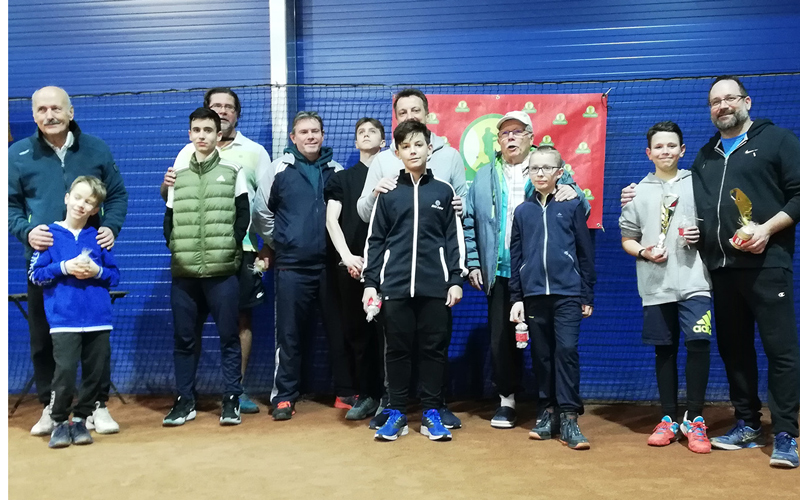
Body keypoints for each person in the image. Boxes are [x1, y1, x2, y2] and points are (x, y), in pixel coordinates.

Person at [620, 76, 800, 468]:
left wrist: (766, 230)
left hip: (767, 265)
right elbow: (676, 198)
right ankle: (747, 424)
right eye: (715, 101)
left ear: (746, 102)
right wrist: (634, 194)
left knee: (781, 350)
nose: (722, 106)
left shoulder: (778, 141)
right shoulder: (705, 157)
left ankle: (786, 433)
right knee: (734, 350)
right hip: (719, 270)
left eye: (730, 98)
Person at [8, 86, 127, 437]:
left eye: (56, 108)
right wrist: (26, 231)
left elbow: (117, 195)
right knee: (43, 339)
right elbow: (8, 204)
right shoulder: (18, 153)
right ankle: (51, 406)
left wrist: (110, 227)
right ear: (34, 115)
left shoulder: (96, 149)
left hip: (90, 264)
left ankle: (96, 406)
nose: (50, 115)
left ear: (70, 112)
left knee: (95, 341)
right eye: (42, 110)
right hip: (45, 264)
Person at [463, 110, 588, 429]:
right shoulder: (483, 175)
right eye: (504, 133)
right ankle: (507, 401)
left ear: (531, 137)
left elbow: (581, 210)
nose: (510, 138)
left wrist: (574, 191)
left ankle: (557, 407)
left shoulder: (546, 169)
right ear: (498, 140)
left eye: (517, 132)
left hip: (542, 274)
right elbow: (469, 221)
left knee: (553, 345)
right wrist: (474, 262)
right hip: (500, 271)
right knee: (501, 341)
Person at [356, 88, 466, 430]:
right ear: (398, 152)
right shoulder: (388, 193)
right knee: (397, 351)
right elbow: (375, 240)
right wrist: (371, 283)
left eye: (419, 144)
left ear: (430, 149)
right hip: (395, 286)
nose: (413, 150)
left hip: (436, 287)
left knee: (434, 350)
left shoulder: (444, 191)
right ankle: (397, 412)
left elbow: (454, 239)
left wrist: (455, 280)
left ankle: (432, 411)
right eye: (406, 146)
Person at [160, 88, 271, 414]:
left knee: (238, 324)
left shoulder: (254, 153)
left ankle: (236, 392)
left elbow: (263, 203)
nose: (222, 111)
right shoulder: (184, 154)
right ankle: (186, 398)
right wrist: (174, 243)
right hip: (190, 258)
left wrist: (256, 245)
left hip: (238, 253)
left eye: (228, 107)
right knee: (187, 330)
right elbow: (173, 201)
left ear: (235, 115)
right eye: (216, 106)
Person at [251, 111, 355, 420]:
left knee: (340, 331)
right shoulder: (277, 170)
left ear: (323, 135)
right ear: (293, 138)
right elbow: (261, 213)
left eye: (315, 131)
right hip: (291, 268)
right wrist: (283, 242)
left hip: (331, 266)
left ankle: (346, 392)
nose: (310, 136)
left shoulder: (337, 172)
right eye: (304, 132)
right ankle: (285, 396)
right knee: (289, 334)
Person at [618, 121, 712, 454]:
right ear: (648, 153)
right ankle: (669, 418)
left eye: (671, 145)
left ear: (682, 150)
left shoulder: (698, 183)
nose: (665, 151)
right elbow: (627, 238)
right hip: (656, 285)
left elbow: (715, 223)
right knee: (664, 349)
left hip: (696, 281)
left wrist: (702, 235)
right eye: (658, 146)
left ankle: (695, 419)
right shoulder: (636, 192)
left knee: (699, 343)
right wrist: (645, 252)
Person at [509, 146, 595, 450]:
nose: (540, 173)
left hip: (568, 294)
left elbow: (585, 252)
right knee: (542, 356)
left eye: (547, 168)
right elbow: (516, 256)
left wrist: (586, 293)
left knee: (566, 351)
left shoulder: (571, 206)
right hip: (533, 296)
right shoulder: (522, 212)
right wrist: (517, 297)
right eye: (534, 168)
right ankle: (547, 413)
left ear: (560, 172)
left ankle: (569, 416)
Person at [29, 176, 120, 448]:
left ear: (95, 209)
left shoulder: (99, 238)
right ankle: (59, 421)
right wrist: (64, 267)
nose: (81, 205)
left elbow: (114, 276)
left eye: (89, 202)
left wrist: (97, 271)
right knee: (65, 373)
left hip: (98, 320)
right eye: (77, 197)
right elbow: (35, 275)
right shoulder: (49, 235)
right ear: (67, 198)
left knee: (94, 374)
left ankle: (81, 420)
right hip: (63, 321)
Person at [324, 117, 386, 420]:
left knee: (389, 334)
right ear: (355, 141)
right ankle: (367, 395)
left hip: (388, 269)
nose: (366, 135)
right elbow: (331, 220)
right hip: (351, 268)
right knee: (357, 333)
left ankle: (392, 397)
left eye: (372, 131)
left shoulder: (393, 177)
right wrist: (347, 257)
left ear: (384, 142)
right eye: (361, 132)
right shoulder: (342, 179)